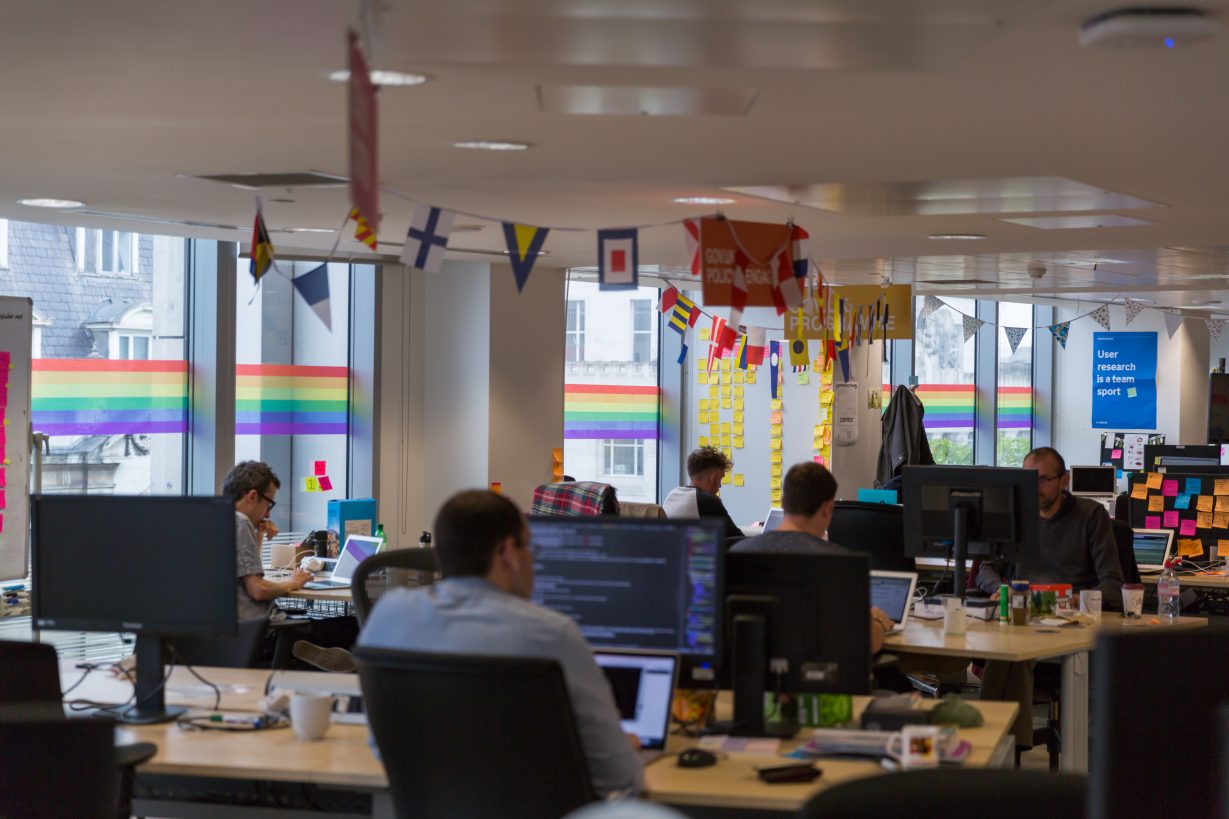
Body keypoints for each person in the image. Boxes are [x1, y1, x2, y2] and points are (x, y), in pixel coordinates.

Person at [359, 489, 643, 798]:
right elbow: (621, 777)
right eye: (529, 547)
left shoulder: (388, 615)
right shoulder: (553, 634)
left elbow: (383, 747)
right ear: (507, 552)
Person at [730, 462, 895, 653]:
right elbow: (869, 643)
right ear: (828, 509)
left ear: (783, 503)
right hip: (821, 680)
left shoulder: (737, 554)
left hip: (754, 679)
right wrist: (875, 620)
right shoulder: (843, 563)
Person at [976, 446, 1124, 608]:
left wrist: (1078, 599)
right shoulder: (1016, 515)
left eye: (1044, 480)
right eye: (1029, 479)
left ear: (1064, 481)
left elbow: (1112, 583)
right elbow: (986, 570)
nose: (1035, 487)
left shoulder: (1090, 515)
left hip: (1074, 615)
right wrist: (1001, 589)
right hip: (1023, 612)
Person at [222, 460, 312, 621]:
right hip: (257, 626)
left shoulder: (219, 518)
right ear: (252, 496)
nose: (268, 514)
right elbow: (258, 589)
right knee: (347, 625)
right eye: (268, 505)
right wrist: (294, 582)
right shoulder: (241, 522)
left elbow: (246, 572)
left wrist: (259, 533)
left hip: (232, 626)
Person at [662, 446, 742, 542]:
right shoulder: (706, 500)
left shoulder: (672, 494)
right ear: (713, 478)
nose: (720, 486)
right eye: (720, 478)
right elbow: (739, 540)